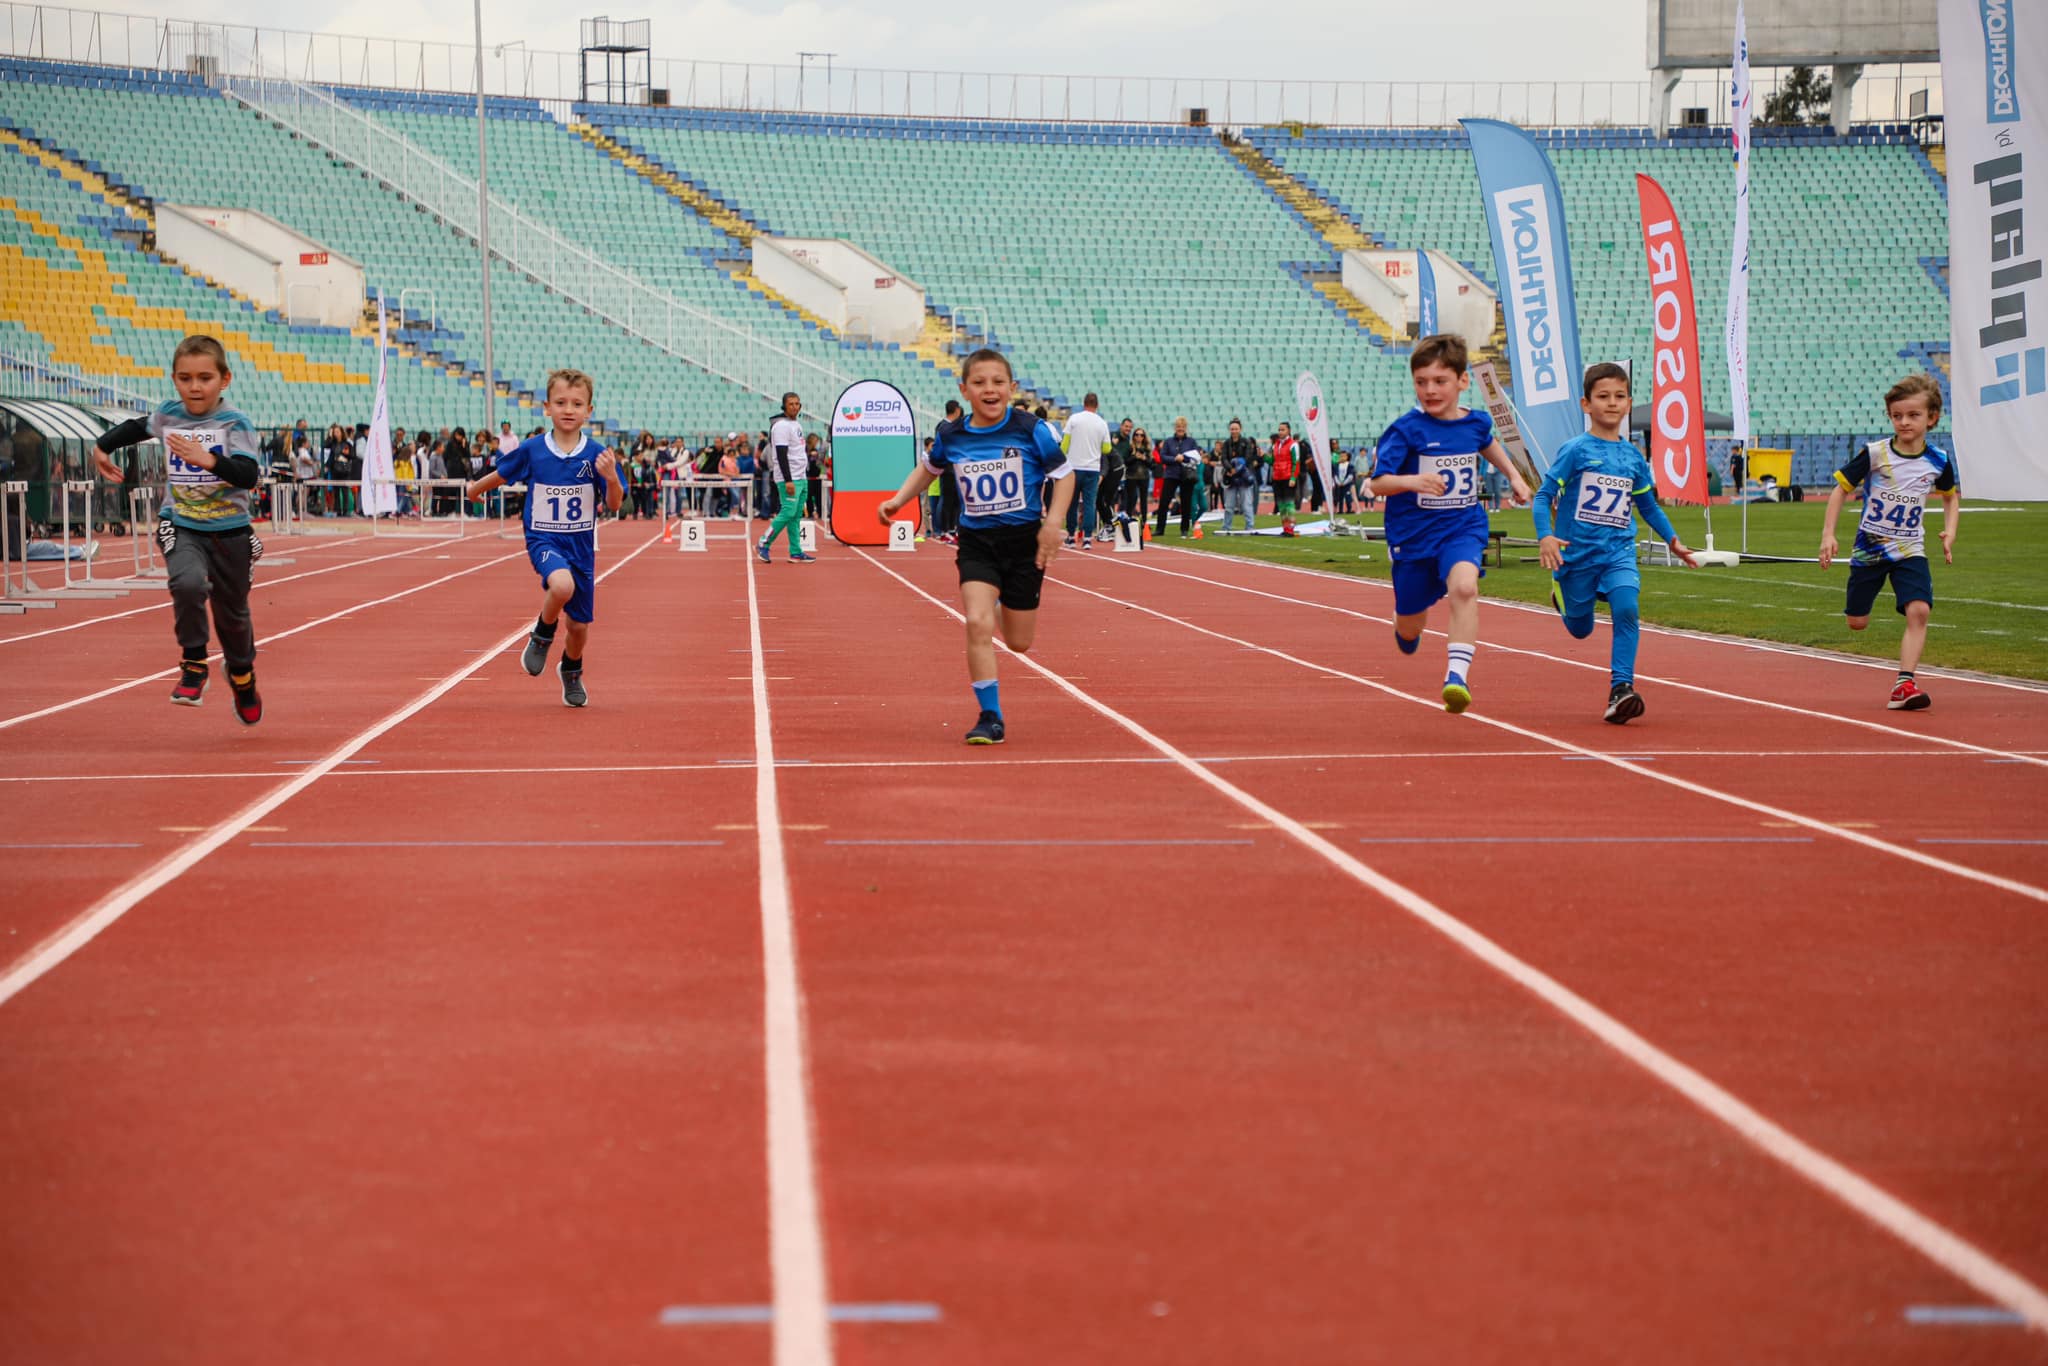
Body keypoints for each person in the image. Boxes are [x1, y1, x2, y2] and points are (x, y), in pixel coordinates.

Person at [876, 348, 1074, 745]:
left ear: (1011, 388)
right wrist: (898, 500)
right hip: (977, 542)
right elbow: (928, 469)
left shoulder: (1031, 429)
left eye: (998, 382)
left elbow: (1065, 476)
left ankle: (1001, 605)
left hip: (1024, 542)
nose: (989, 389)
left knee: (1018, 642)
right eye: (979, 382)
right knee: (976, 622)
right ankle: (990, 716)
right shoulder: (952, 435)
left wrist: (1053, 522)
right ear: (964, 390)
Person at [90, 334, 266, 724]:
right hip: (181, 522)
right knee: (187, 583)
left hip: (230, 530)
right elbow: (138, 427)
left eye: (205, 378)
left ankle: (242, 675)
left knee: (233, 616)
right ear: (174, 380)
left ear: (224, 379)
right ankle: (194, 663)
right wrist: (102, 447)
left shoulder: (234, 422)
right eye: (185, 378)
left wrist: (208, 459)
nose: (195, 387)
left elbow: (248, 475)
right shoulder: (170, 415)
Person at [1369, 333, 1532, 714]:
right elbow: (1378, 483)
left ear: (1462, 381)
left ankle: (1456, 677)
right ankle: (1404, 621)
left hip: (1462, 527)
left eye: (1440, 381)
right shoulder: (1405, 430)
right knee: (1410, 626)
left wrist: (1515, 475)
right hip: (1413, 538)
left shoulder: (1475, 422)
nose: (1430, 390)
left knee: (1465, 587)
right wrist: (1413, 482)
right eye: (1421, 382)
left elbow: (1486, 442)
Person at [1533, 363, 1699, 724]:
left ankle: (1621, 688)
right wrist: (1545, 536)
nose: (1612, 403)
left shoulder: (1633, 457)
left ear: (1629, 403)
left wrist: (1673, 540)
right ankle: (1562, 597)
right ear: (1586, 404)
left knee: (1627, 609)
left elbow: (1647, 506)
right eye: (1603, 396)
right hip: (1577, 555)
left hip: (1619, 551)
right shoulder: (1575, 450)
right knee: (1580, 630)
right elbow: (1543, 497)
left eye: (1619, 396)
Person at [465, 369, 625, 708]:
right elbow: (502, 474)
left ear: (589, 411)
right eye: (561, 402)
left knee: (579, 627)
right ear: (547, 407)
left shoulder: (597, 456)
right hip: (544, 539)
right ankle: (542, 633)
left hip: (581, 548)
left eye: (577, 404)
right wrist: (475, 489)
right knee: (561, 586)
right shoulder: (533, 449)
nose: (568, 409)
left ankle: (571, 669)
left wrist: (611, 479)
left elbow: (614, 504)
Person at [1818, 374, 1959, 711]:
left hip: (1910, 550)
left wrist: (1949, 531)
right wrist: (1828, 533)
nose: (1904, 422)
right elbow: (1840, 490)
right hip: (1870, 549)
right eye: (1897, 416)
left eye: (1913, 415)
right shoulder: (1875, 453)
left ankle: (1904, 683)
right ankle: (1861, 608)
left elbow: (1950, 497)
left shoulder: (1938, 460)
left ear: (1932, 418)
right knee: (1857, 623)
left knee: (1920, 610)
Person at [758, 391, 816, 563]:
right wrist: (788, 480)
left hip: (801, 476)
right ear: (784, 406)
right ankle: (764, 542)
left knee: (796, 515)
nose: (794, 407)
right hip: (789, 478)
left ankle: (796, 551)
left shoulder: (796, 424)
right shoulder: (781, 426)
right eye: (790, 404)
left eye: (797, 404)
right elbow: (781, 455)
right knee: (788, 511)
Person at [1061, 392, 1111, 549]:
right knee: (1090, 504)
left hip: (1074, 467)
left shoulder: (1074, 419)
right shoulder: (1102, 423)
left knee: (1072, 503)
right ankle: (1087, 538)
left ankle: (1071, 536)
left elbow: (1064, 445)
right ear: (1097, 405)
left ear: (1084, 404)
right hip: (1092, 468)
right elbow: (1107, 448)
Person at [1154, 416, 1201, 538]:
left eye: (1182, 427)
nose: (1180, 429)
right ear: (1175, 428)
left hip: (1187, 475)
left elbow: (1196, 457)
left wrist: (1184, 458)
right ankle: (1160, 529)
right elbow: (1163, 457)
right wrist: (1175, 459)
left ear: (1186, 428)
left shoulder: (1191, 442)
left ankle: (1184, 529)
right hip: (1171, 474)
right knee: (1164, 502)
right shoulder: (1168, 441)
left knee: (1186, 503)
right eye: (1178, 426)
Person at [1218, 418, 1259, 532]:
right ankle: (1226, 527)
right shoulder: (1226, 443)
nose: (1234, 431)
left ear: (1240, 429)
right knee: (1229, 505)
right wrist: (1230, 468)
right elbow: (1224, 458)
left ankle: (1250, 526)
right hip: (1230, 477)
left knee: (1246, 504)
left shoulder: (1246, 442)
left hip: (1244, 477)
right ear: (1229, 430)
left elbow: (1248, 458)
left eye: (1236, 429)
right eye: (1232, 429)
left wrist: (1237, 468)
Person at [1270, 423, 1301, 536]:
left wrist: (1293, 477)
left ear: (1288, 431)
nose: (1280, 432)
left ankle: (1291, 528)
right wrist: (1263, 456)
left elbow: (1296, 462)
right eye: (1279, 430)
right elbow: (1272, 461)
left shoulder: (1293, 445)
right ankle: (1285, 528)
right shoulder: (1275, 445)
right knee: (1281, 505)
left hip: (1288, 478)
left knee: (1289, 504)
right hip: (1277, 478)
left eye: (1283, 429)